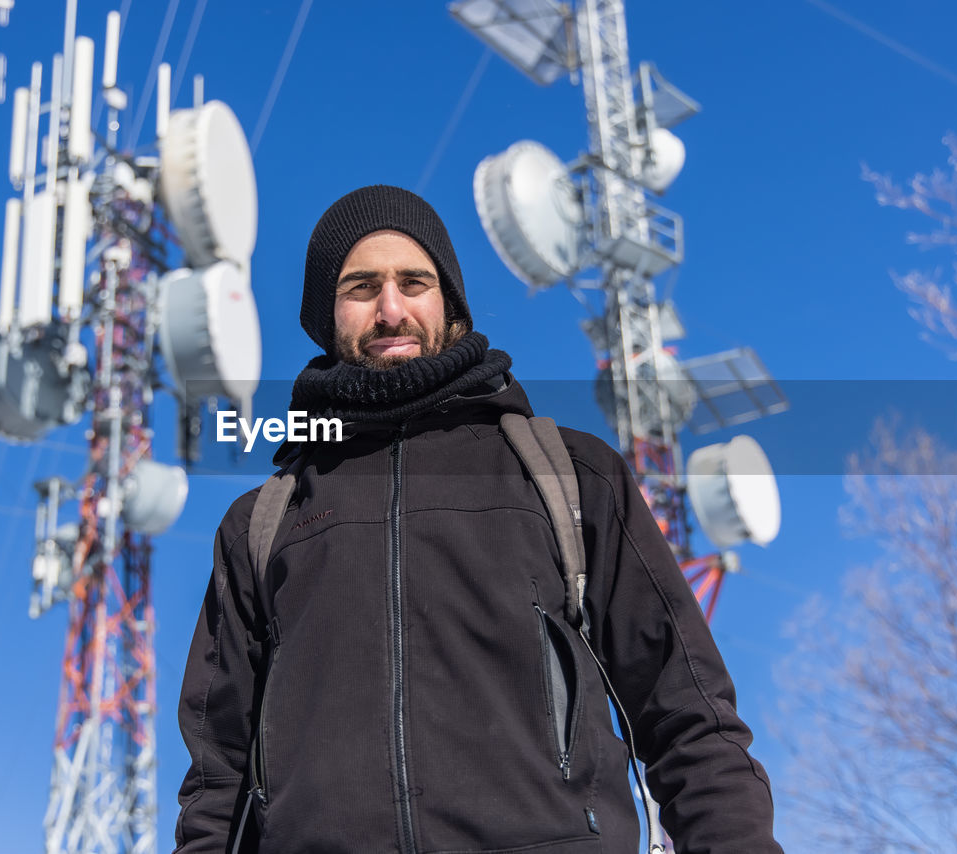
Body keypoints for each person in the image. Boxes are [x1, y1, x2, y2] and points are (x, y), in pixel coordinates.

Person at [173, 185, 783, 853]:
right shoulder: (262, 524)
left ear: (451, 305)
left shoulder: (571, 476)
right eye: (361, 287)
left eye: (414, 282)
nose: (391, 309)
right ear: (327, 313)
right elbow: (217, 783)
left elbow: (689, 717)